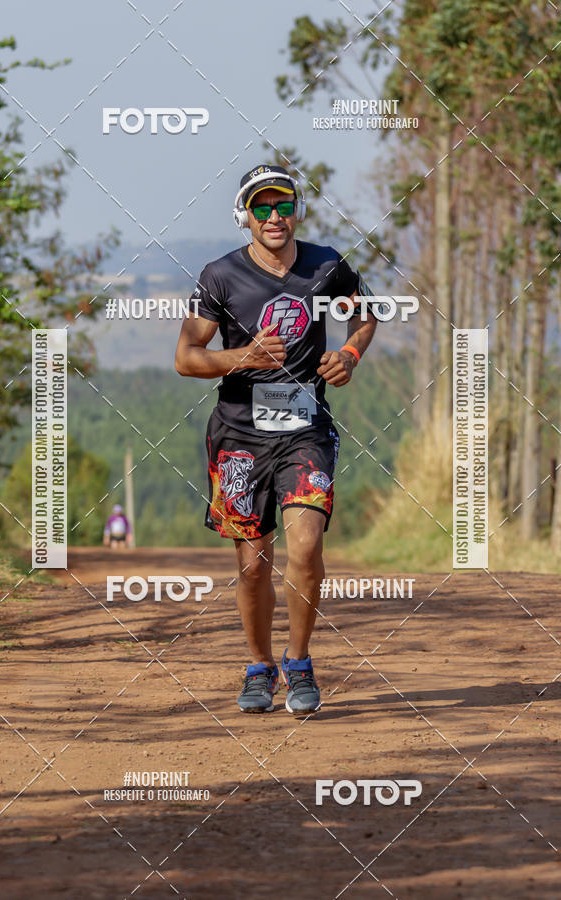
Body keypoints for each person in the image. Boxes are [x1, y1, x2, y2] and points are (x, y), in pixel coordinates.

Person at [175, 164, 377, 715]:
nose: (274, 216)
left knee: (305, 548)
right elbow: (186, 358)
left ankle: (300, 662)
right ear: (244, 215)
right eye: (261, 207)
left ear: (297, 211)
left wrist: (350, 354)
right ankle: (259, 666)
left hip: (305, 431)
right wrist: (244, 357)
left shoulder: (327, 265)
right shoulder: (220, 276)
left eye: (283, 205)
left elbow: (366, 316)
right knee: (253, 564)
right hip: (239, 436)